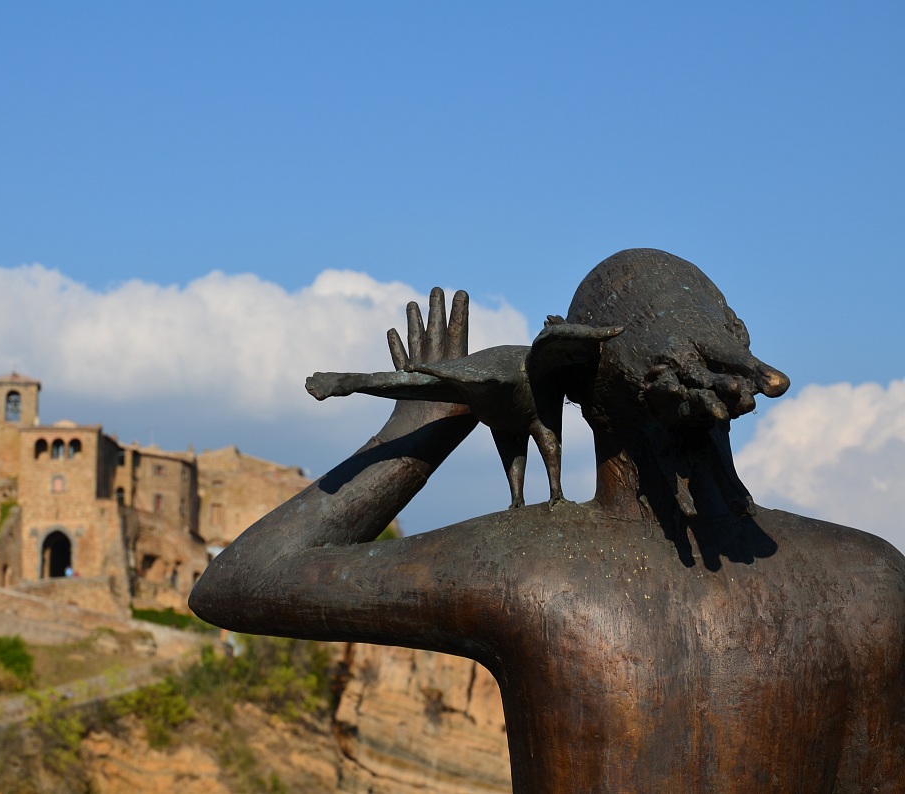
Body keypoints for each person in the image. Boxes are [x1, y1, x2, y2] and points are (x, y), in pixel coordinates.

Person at [190, 249, 905, 792]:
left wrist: (429, 414)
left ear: (575, 393)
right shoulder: (870, 580)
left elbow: (240, 580)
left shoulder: (532, 572)